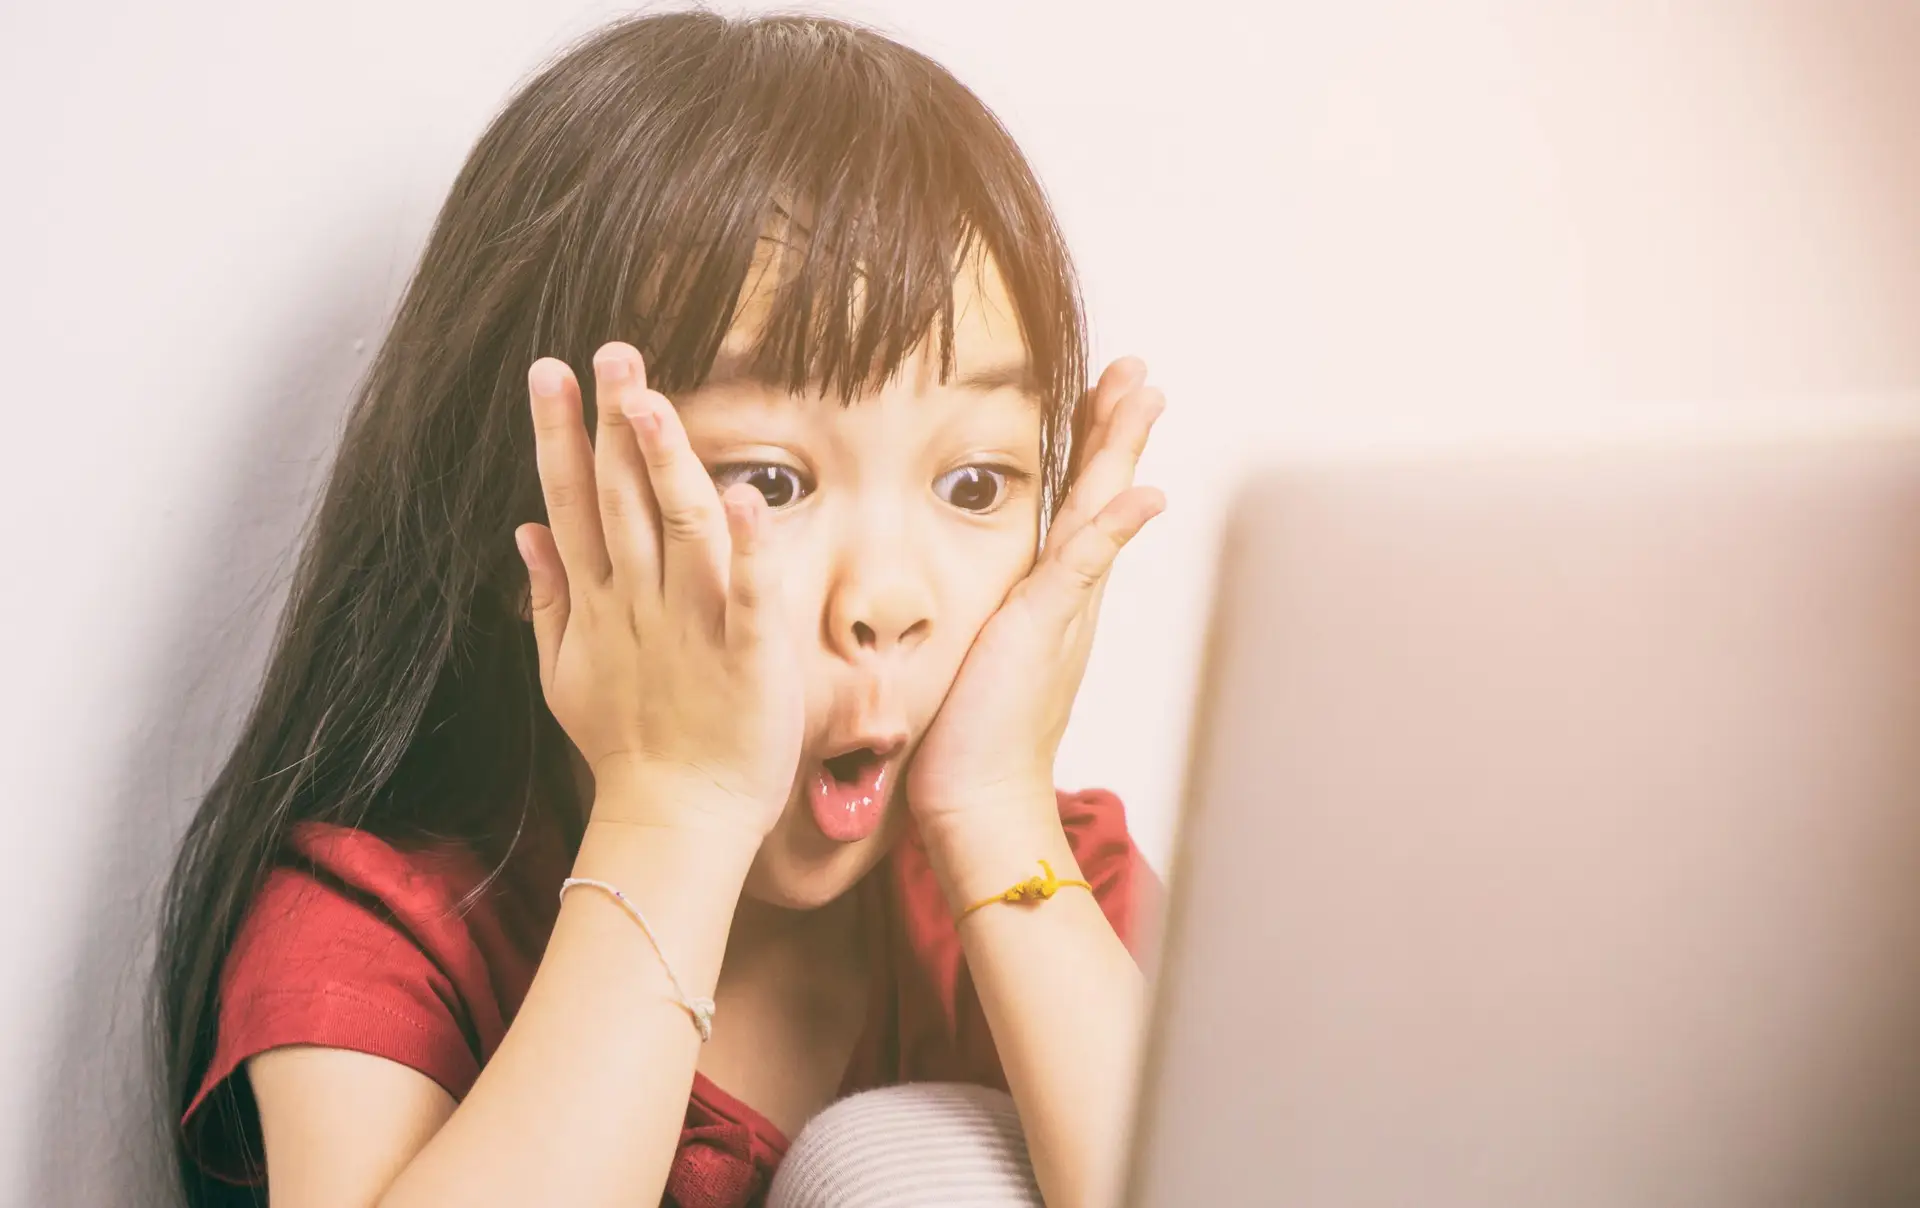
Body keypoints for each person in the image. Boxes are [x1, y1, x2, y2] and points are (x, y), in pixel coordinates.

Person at [153, 10, 1167, 1207]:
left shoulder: (1054, 883)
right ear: (532, 520)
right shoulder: (391, 930)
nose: (889, 599)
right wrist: (673, 813)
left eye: (974, 484)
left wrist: (999, 813)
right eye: (771, 482)